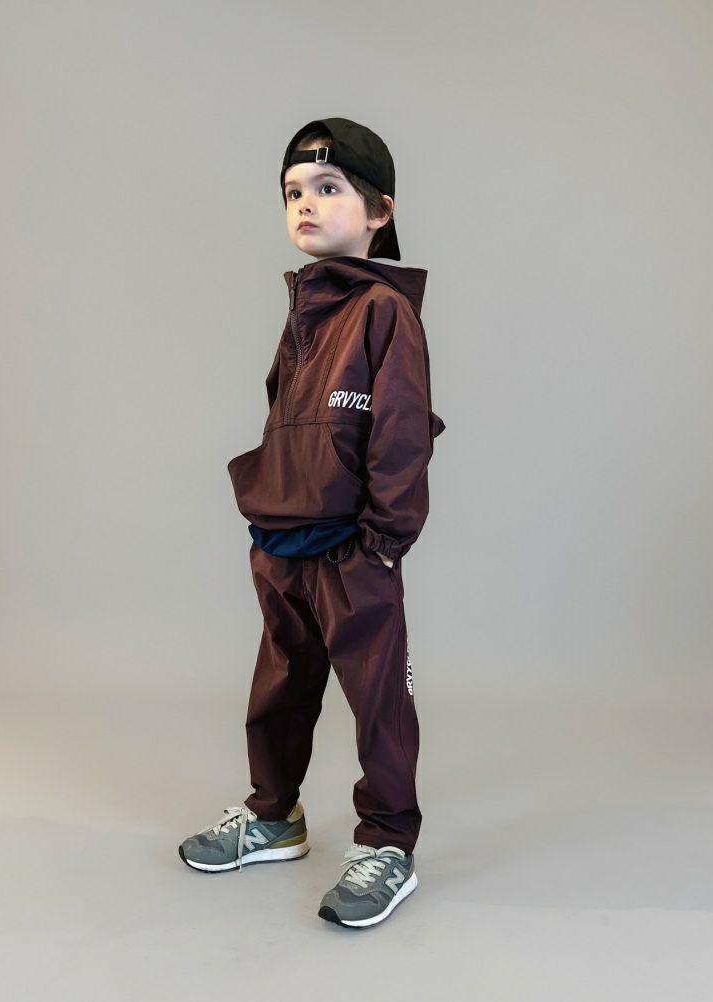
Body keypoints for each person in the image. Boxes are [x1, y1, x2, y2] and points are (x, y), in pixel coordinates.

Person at [178, 117, 446, 928]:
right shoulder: (303, 313)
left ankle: (388, 843)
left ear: (379, 212)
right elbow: (287, 427)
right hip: (283, 541)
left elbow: (400, 431)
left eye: (329, 188)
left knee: (378, 701)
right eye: (293, 191)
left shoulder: (383, 313)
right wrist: (265, 508)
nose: (306, 203)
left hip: (355, 551)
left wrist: (383, 543)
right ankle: (273, 815)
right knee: (279, 687)